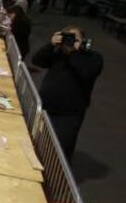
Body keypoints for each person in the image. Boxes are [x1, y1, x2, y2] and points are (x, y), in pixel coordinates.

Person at [31, 27, 103, 158]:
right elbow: (36, 60)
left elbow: (86, 73)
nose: (70, 42)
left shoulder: (93, 57)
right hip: (46, 109)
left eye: (75, 39)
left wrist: (73, 52)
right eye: (67, 37)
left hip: (69, 115)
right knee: (38, 144)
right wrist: (50, 44)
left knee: (59, 152)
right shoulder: (59, 54)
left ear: (83, 41)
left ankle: (53, 178)